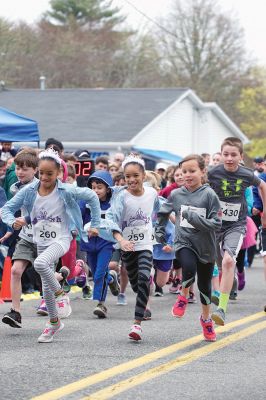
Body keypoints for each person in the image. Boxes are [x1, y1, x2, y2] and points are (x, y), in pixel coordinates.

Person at [1, 147, 101, 343]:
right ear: (38, 170)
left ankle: (61, 294)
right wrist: (13, 222)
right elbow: (6, 209)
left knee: (39, 265)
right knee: (45, 289)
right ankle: (54, 322)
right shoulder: (30, 191)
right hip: (40, 240)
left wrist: (95, 224)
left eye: (50, 173)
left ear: (58, 173)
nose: (45, 177)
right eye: (42, 173)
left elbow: (92, 197)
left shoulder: (66, 189)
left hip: (61, 239)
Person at [155, 154, 221, 342]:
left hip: (206, 247)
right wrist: (159, 231)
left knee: (205, 287)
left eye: (192, 171)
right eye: (184, 172)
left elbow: (216, 223)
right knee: (188, 267)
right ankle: (183, 296)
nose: (188, 175)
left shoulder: (209, 195)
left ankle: (206, 320)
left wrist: (194, 218)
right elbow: (163, 212)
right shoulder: (176, 194)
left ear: (202, 172)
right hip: (184, 241)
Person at [208, 137, 266, 326]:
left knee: (228, 260)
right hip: (215, 225)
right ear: (221, 154)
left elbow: (263, 186)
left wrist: (264, 211)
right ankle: (229, 280)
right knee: (219, 264)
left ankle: (222, 309)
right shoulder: (213, 173)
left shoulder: (247, 174)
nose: (229, 158)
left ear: (241, 156)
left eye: (234, 155)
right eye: (226, 154)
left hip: (236, 225)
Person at [106, 154, 160, 341]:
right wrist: (121, 241)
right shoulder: (122, 197)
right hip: (127, 247)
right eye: (127, 176)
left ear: (143, 176)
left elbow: (161, 210)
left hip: (145, 244)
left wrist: (169, 225)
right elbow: (111, 220)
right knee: (137, 285)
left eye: (135, 175)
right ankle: (143, 290)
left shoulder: (152, 193)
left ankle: (137, 323)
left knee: (144, 278)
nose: (131, 180)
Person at [79, 170, 120, 318]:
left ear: (107, 188)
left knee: (98, 274)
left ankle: (101, 304)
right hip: (90, 243)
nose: (95, 190)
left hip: (106, 242)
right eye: (93, 187)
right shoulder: (85, 201)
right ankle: (111, 279)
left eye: (99, 187)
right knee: (97, 271)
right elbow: (77, 216)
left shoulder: (113, 203)